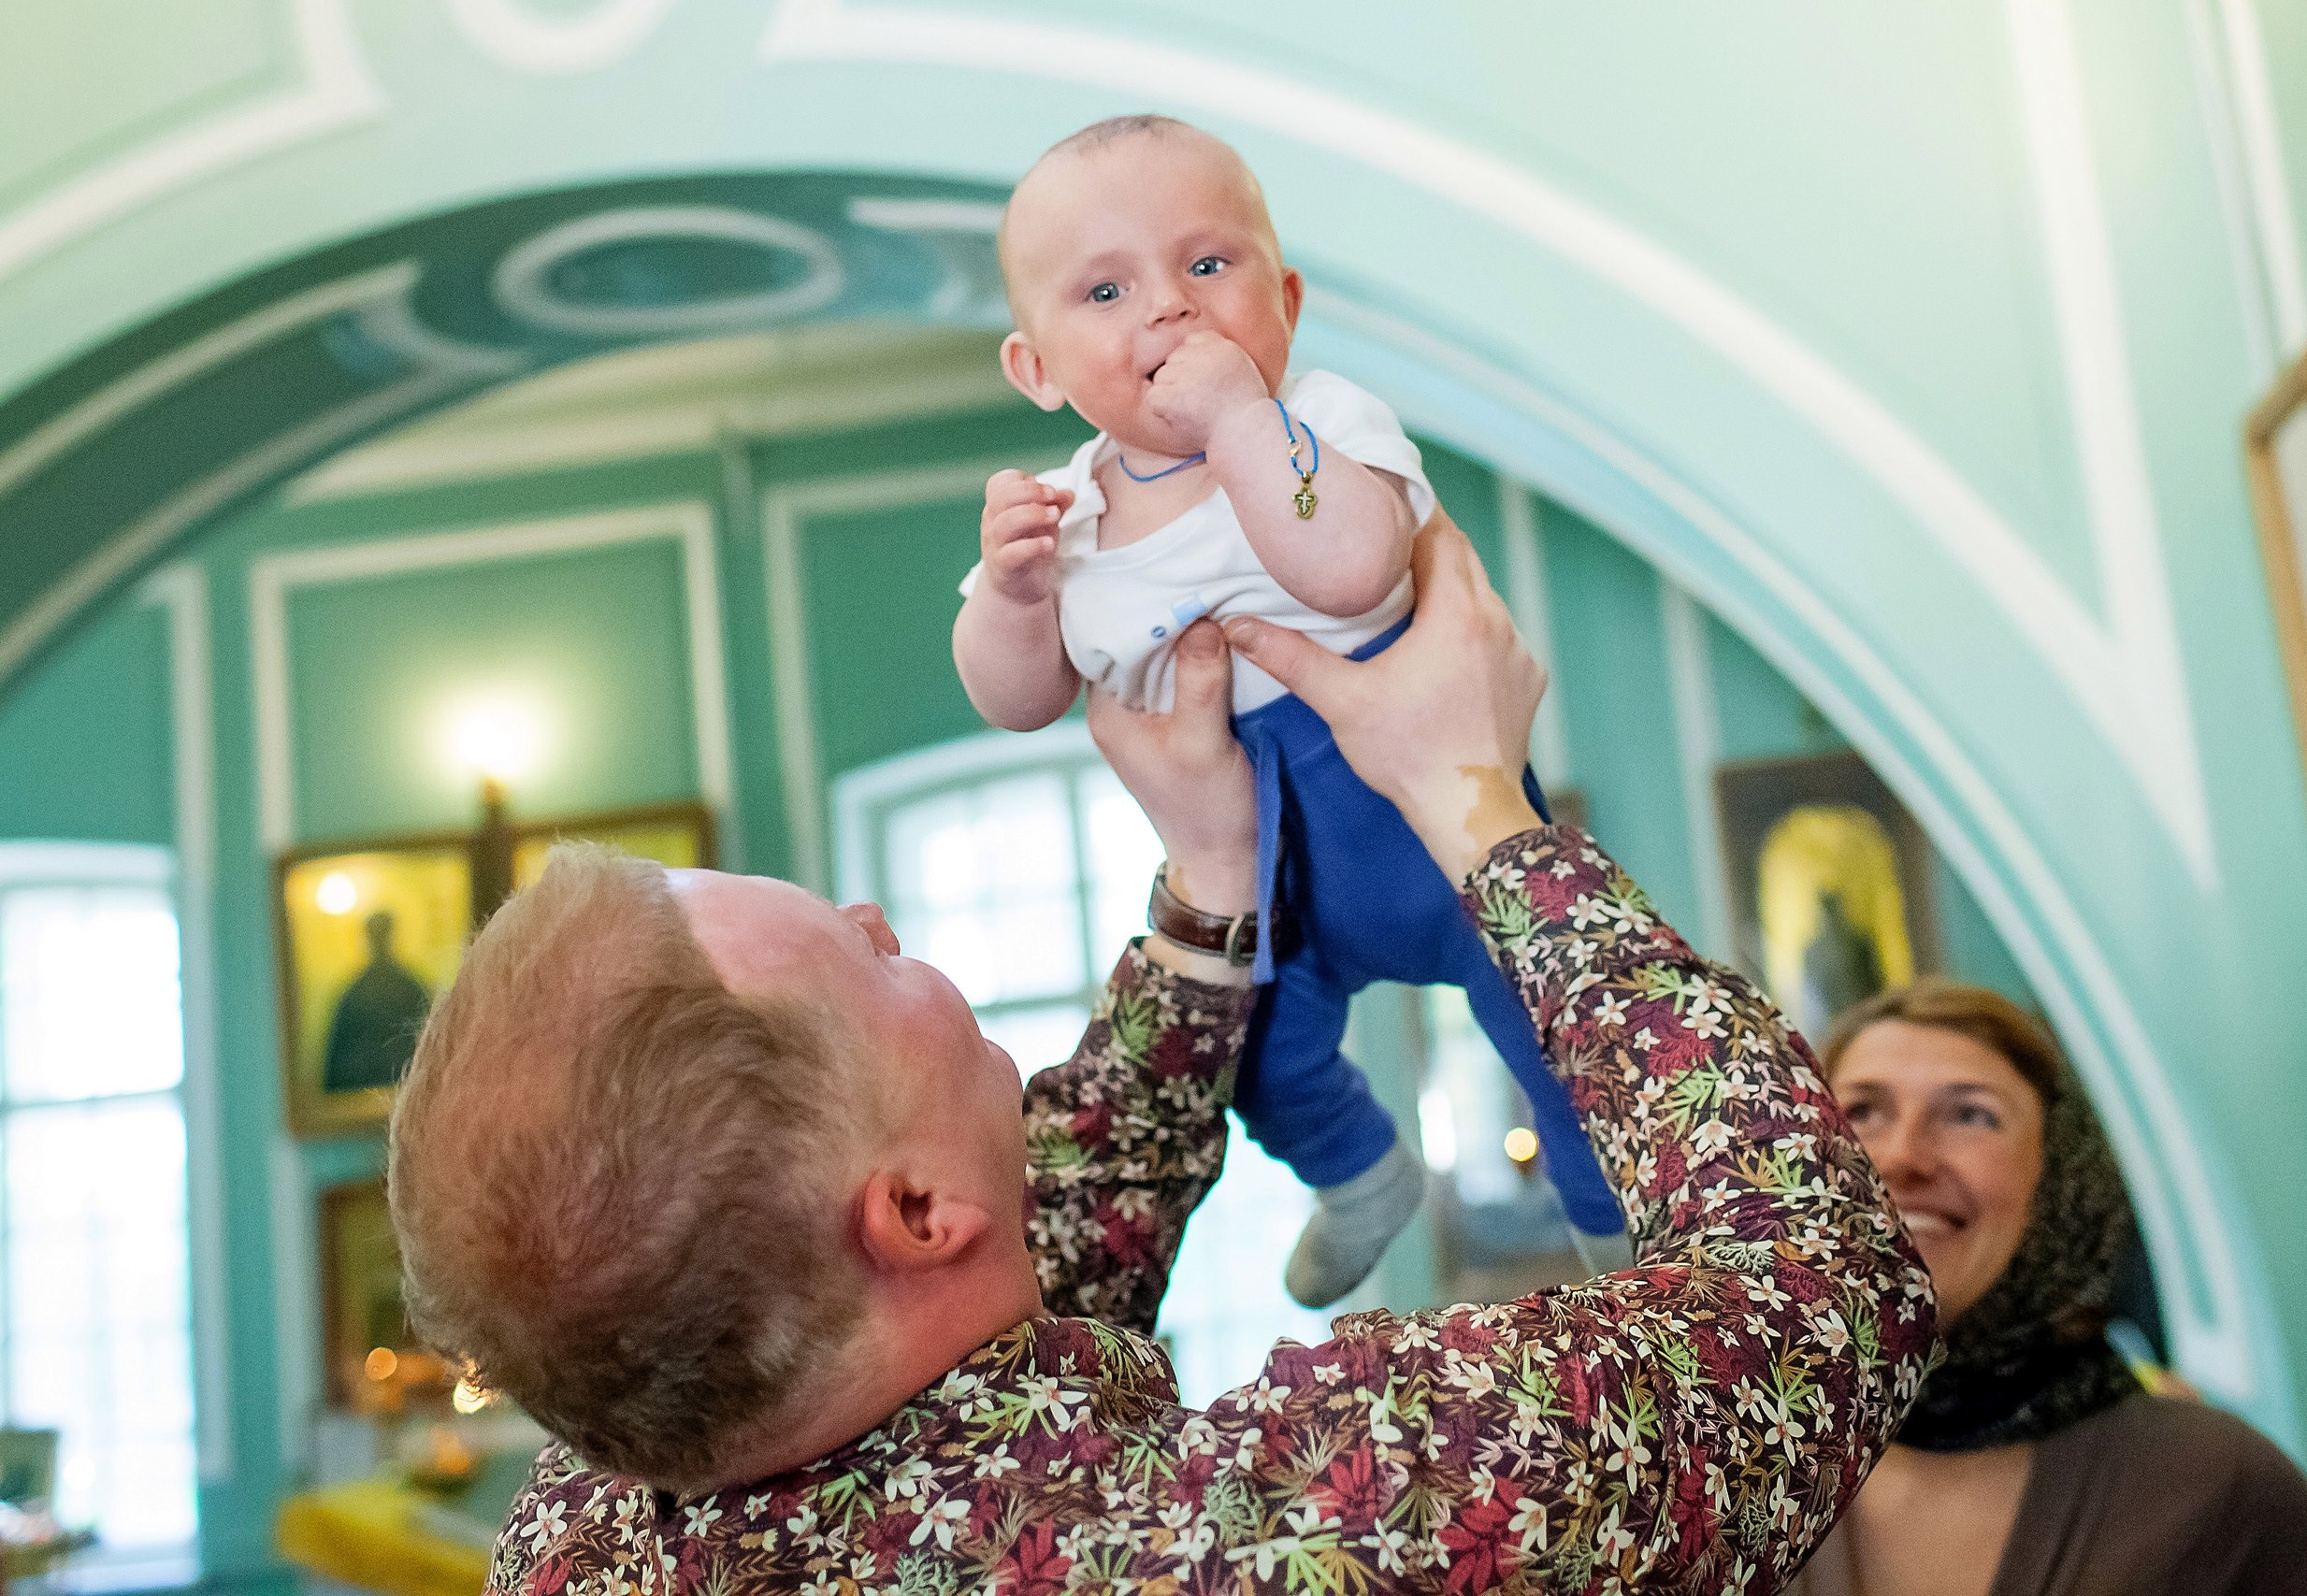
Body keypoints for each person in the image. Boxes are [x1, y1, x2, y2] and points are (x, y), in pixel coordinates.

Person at [389, 516, 1935, 1594]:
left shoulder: (590, 1530)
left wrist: (1212, 878)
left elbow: (1047, 1219)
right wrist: (1486, 812)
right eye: (862, 951)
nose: (873, 910)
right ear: (916, 1211)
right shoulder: (1315, 1515)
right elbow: (1825, 1298)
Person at [953, 112, 1623, 1305]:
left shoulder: (1325, 421)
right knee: (1243, 1052)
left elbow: (1352, 570)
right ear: (1037, 370)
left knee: (1550, 1034)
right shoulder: (1065, 518)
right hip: (1257, 857)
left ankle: (1606, 1226)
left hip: (1417, 809)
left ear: (1287, 300)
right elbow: (1018, 701)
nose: (1169, 307)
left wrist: (1240, 425)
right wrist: (1010, 594)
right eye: (1105, 289)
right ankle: (1359, 1174)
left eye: (1208, 266)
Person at [1792, 979, 2307, 1596]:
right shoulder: (1729, 1471)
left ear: (2063, 1178)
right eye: (1862, 1111)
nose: (1904, 1155)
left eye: (1969, 1113)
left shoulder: (2216, 1486)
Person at [322, 908, 431, 1093]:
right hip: (361, 1097)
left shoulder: (411, 989)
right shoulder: (354, 994)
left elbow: (430, 1048)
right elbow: (337, 1069)